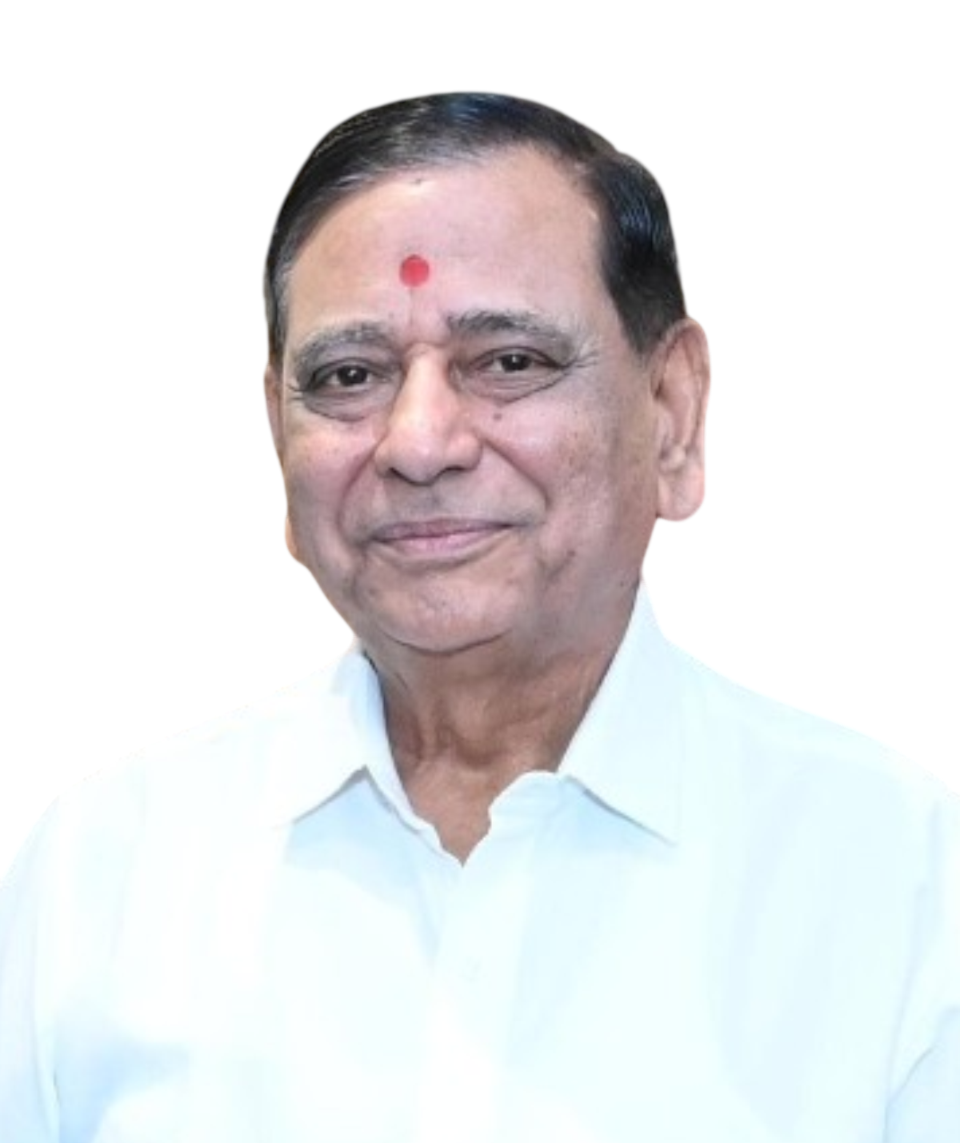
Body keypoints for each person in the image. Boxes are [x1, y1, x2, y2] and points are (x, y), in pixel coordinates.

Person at [1, 91, 956, 1142]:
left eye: (509, 361)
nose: (419, 443)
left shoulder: (903, 875)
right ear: (276, 433)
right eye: (350, 376)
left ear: (674, 412)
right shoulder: (100, 867)